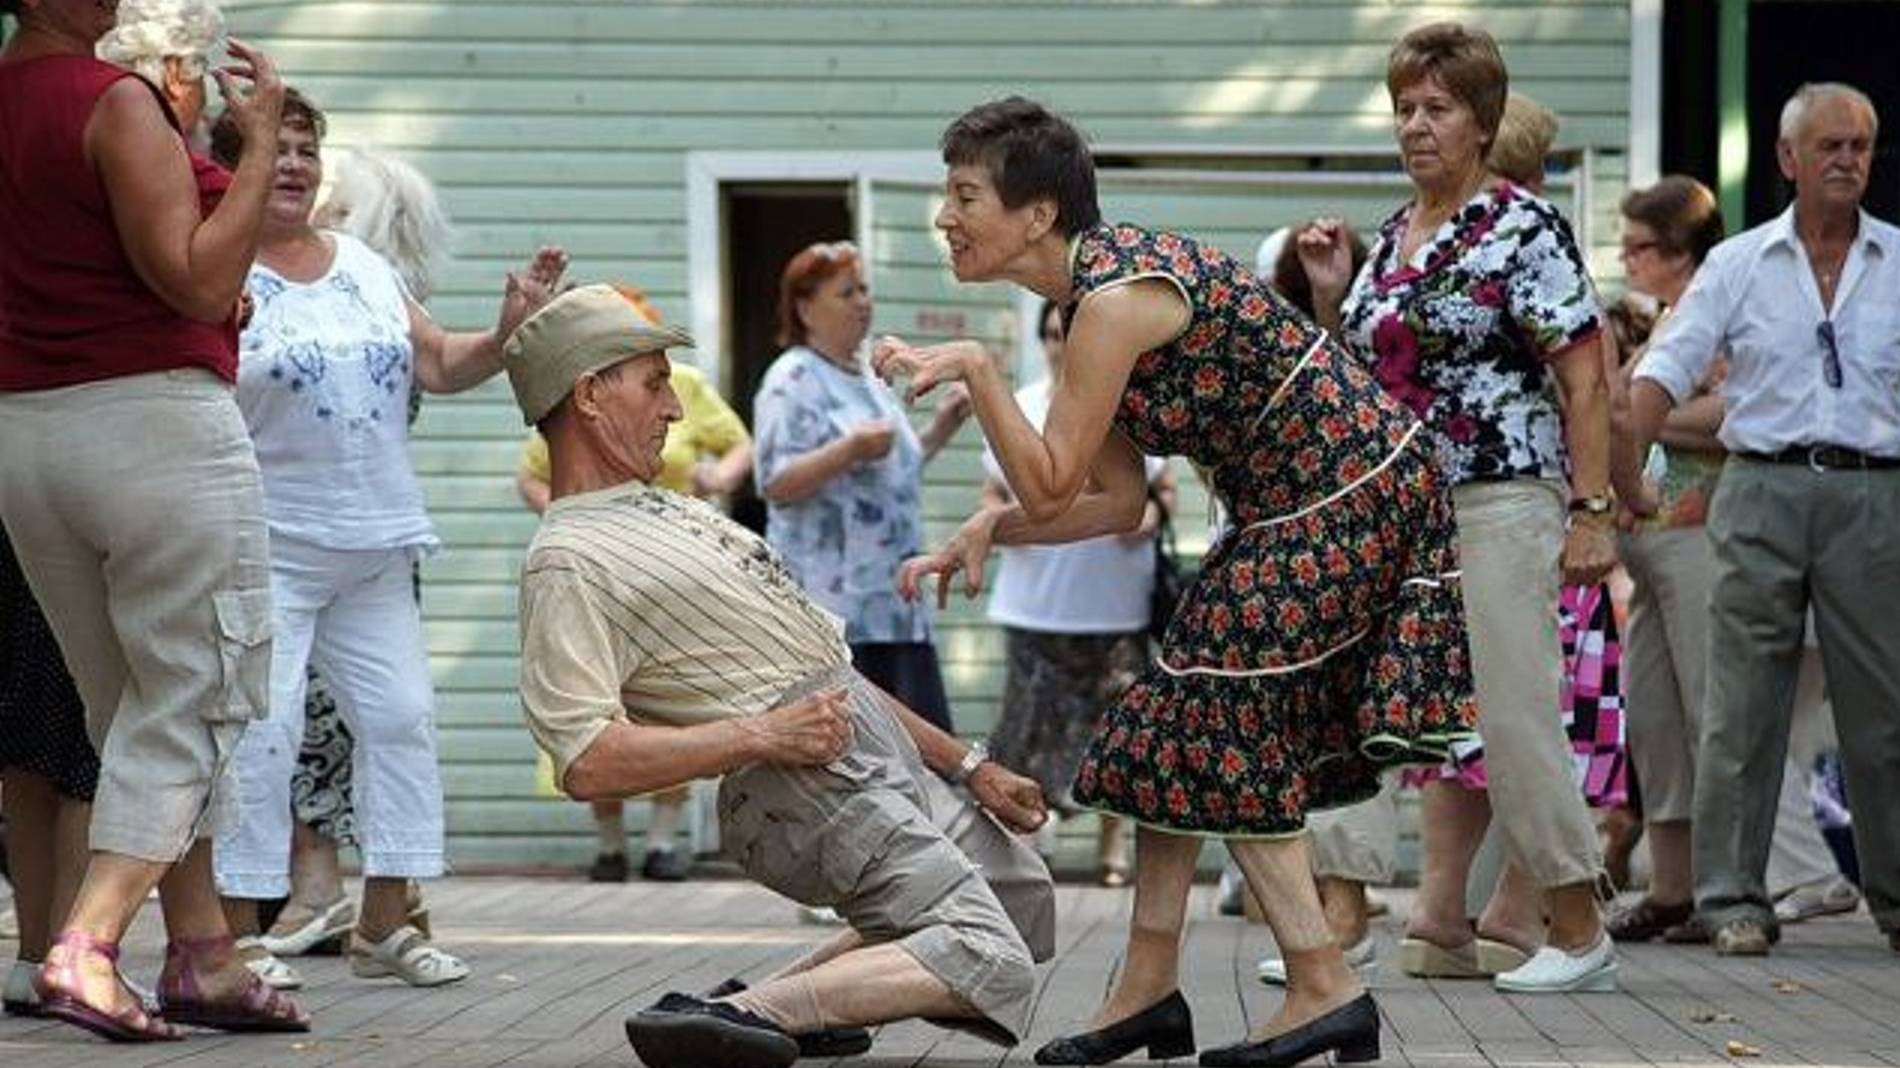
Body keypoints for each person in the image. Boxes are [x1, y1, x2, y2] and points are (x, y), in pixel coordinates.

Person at [877, 96, 1477, 1068]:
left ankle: (1324, 984)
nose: (945, 217)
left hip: (1351, 489)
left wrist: (981, 374)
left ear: (1037, 214)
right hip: (1295, 505)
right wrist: (991, 524)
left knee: (1218, 719)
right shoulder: (1089, 304)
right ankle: (1148, 988)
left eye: (965, 195)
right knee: (1169, 729)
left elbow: (1052, 480)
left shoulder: (1114, 300)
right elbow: (1111, 501)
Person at [503, 283, 1055, 1068]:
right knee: (989, 956)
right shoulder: (568, 558)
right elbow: (587, 760)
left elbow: (833, 673)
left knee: (1019, 898)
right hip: (801, 782)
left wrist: (969, 766)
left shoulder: (674, 509)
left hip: (859, 736)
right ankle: (752, 1015)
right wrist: (760, 735)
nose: (675, 409)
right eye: (655, 384)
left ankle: (739, 1011)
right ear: (590, 395)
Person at [204, 87, 567, 987]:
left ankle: (383, 926)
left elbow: (438, 362)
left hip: (377, 541)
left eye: (305, 148)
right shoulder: (211, 270)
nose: (293, 165)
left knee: (402, 720)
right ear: (232, 168)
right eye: (274, 148)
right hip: (267, 543)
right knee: (265, 733)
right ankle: (241, 938)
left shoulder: (364, 264)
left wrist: (509, 331)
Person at [0, 0, 309, 1040]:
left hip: (24, 431)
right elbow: (199, 278)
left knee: (128, 707)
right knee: (198, 692)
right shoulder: (109, 99)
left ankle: (204, 953)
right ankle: (85, 948)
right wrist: (256, 144)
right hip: (151, 423)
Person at [1298, 22, 1619, 993]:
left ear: (1482, 120)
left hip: (1499, 496)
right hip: (1396, 508)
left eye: (1436, 107)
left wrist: (1593, 510)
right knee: (1354, 702)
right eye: (1404, 108)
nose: (1415, 125)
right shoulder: (1398, 230)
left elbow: (1586, 378)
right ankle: (1342, 918)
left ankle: (1578, 929)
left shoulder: (1524, 227)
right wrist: (1331, 300)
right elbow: (1368, 377)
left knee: (1513, 717)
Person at [1616, 82, 1900, 958]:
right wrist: (1620, 483)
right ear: (1787, 158)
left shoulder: (1898, 259)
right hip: (1760, 486)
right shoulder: (1739, 264)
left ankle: (1894, 899)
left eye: (1860, 146)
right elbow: (1662, 370)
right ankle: (1734, 899)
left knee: (1883, 707)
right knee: (1739, 702)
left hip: (1872, 492)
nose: (1847, 160)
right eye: (1829, 146)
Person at [258, 146, 455, 962]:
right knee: (284, 723)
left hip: (369, 534)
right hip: (293, 533)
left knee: (375, 719)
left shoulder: (373, 289)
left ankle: (358, 895)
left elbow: (429, 371)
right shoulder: (270, 278)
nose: (319, 207)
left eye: (338, 202)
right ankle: (316, 897)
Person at [516, 283, 754, 883]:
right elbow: (533, 474)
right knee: (597, 700)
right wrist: (566, 517)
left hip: (669, 563)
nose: (667, 401)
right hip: (600, 557)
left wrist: (717, 479)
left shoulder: (687, 387)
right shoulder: (573, 398)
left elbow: (738, 445)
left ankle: (663, 842)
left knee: (670, 700)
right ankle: (610, 845)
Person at [981, 299, 1174, 888]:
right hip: (1036, 604)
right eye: (1050, 335)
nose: (1059, 346)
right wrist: (995, 528)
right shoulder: (1023, 406)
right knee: (1027, 737)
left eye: (1068, 334)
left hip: (1115, 605)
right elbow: (993, 493)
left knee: (1117, 735)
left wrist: (1147, 517)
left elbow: (1161, 496)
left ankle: (1113, 850)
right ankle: (1031, 846)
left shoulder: (1130, 406)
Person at [752, 242, 972, 733]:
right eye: (847, 292)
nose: (863, 302)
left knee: (922, 752)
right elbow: (774, 482)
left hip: (897, 607)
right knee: (861, 755)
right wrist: (848, 449)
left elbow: (893, 473)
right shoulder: (792, 378)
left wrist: (942, 427)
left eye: (865, 290)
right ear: (805, 308)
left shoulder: (869, 378)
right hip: (837, 618)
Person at [1600, 175, 1728, 943]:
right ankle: (1672, 887)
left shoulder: (1724, 310)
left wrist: (1646, 418)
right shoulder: (1673, 318)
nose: (1627, 259)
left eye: (1639, 246)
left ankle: (1726, 886)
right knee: (1652, 715)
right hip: (1649, 544)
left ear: (1680, 249)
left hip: (1698, 533)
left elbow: (1740, 413)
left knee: (1709, 708)